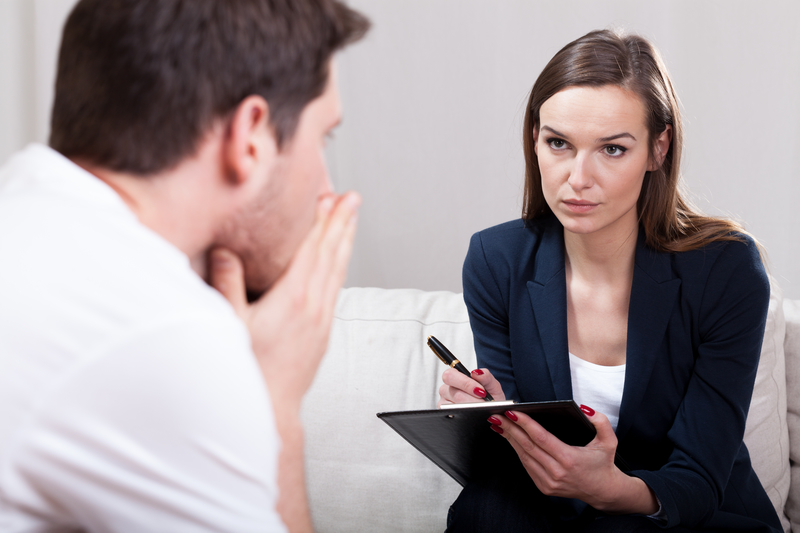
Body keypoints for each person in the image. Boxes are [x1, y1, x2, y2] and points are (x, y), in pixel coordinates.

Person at [0, 0, 368, 531]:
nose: (327, 189)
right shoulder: (161, 328)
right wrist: (276, 406)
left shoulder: (26, 206)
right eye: (322, 137)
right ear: (251, 136)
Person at [439, 29, 782, 533]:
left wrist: (608, 489)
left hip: (683, 513)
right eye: (558, 143)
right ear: (535, 140)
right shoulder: (496, 259)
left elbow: (699, 478)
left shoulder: (726, 269)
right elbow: (523, 454)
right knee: (485, 509)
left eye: (612, 150)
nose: (578, 177)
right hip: (555, 511)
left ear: (658, 148)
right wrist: (485, 413)